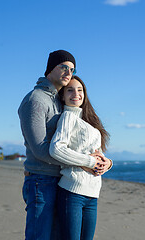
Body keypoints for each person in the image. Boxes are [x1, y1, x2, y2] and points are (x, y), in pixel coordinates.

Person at [18, 50, 105, 240]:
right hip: (40, 181)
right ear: (50, 69)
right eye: (63, 67)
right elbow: (40, 149)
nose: (68, 72)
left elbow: (76, 145)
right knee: (38, 236)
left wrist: (102, 162)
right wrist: (83, 162)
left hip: (59, 180)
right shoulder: (36, 100)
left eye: (72, 69)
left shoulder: (57, 100)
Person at [49, 75, 112, 240]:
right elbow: (56, 149)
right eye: (70, 90)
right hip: (72, 192)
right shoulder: (68, 116)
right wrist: (90, 162)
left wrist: (108, 163)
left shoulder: (87, 120)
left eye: (80, 90)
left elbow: (95, 151)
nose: (76, 94)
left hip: (92, 193)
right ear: (62, 95)